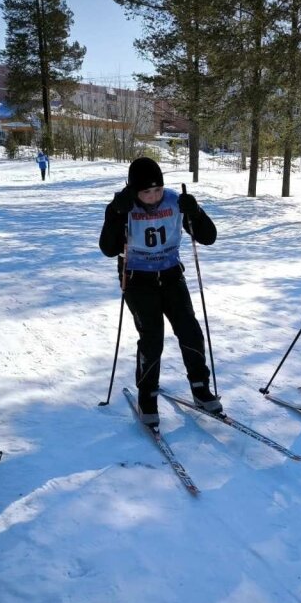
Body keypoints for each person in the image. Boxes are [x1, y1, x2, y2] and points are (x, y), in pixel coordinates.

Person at [98, 156, 219, 428]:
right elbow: (107, 249)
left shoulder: (175, 201)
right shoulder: (122, 206)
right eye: (146, 191)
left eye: (157, 190)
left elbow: (208, 237)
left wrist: (196, 212)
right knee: (152, 339)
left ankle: (200, 386)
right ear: (133, 189)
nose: (153, 197)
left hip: (171, 275)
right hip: (137, 279)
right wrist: (117, 214)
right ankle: (147, 396)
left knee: (190, 331)